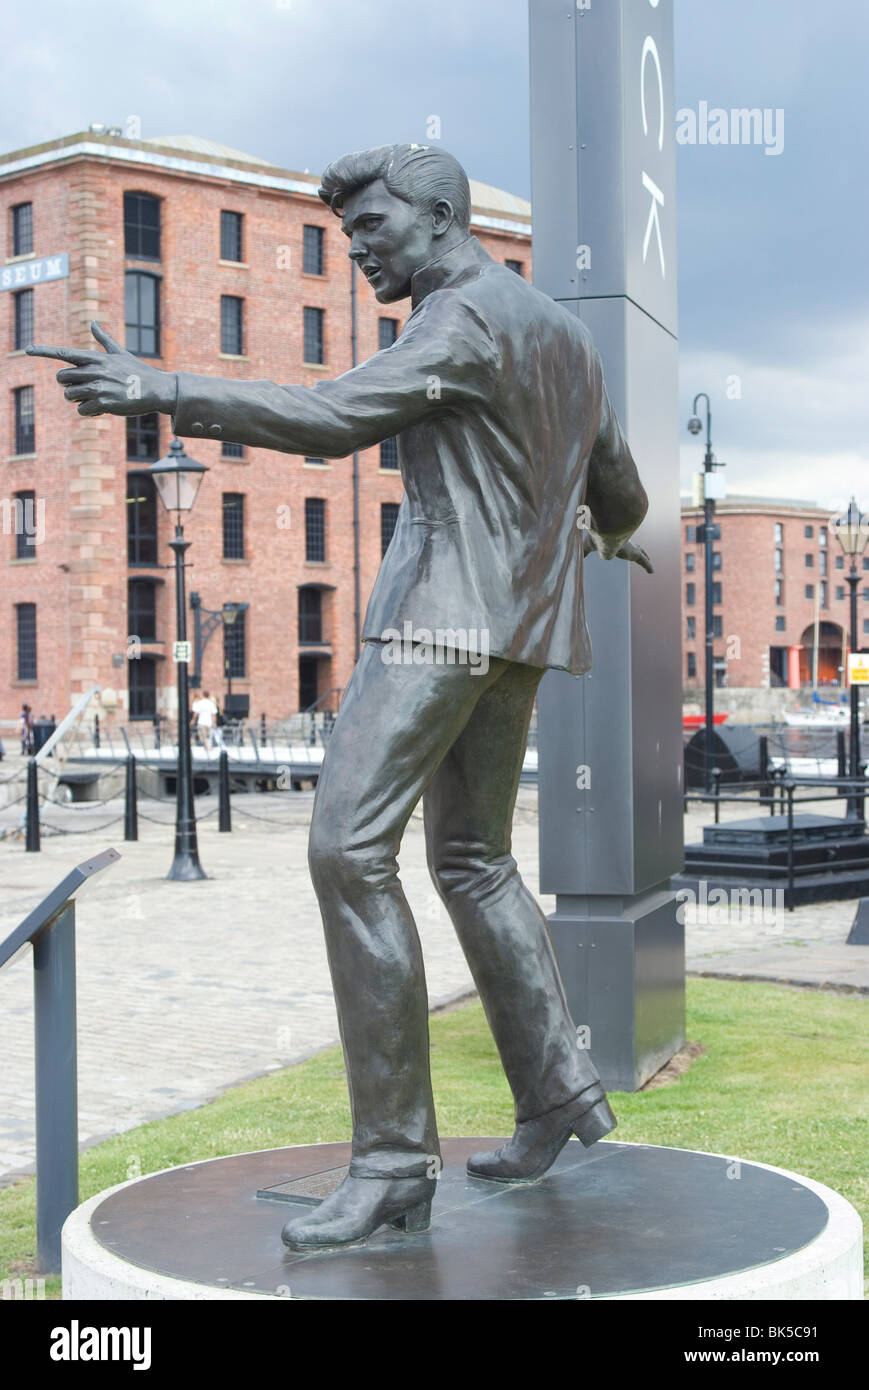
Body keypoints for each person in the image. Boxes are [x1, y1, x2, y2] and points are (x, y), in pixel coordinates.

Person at [28, 143, 651, 1250]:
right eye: (348, 232)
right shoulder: (564, 332)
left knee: (343, 848)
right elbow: (618, 484)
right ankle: (556, 1093)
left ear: (440, 217)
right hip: (519, 629)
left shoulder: (456, 323)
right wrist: (605, 535)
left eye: (371, 229)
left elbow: (329, 417)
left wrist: (160, 388)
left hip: (438, 619)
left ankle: (391, 1159)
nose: (356, 249)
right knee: (472, 857)